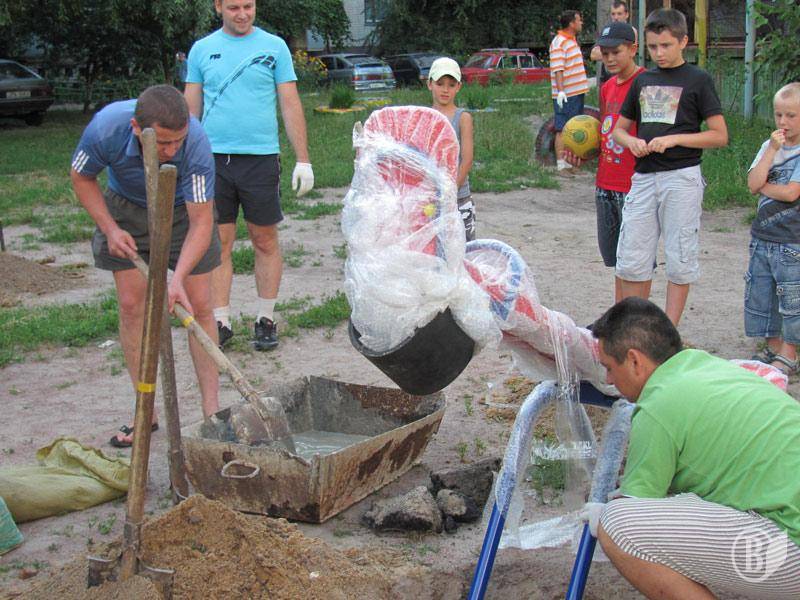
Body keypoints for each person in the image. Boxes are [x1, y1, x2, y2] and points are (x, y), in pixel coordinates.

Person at [589, 297, 800, 599]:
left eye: (609, 367)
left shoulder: (658, 405)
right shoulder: (711, 367)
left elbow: (638, 502)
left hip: (790, 542)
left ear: (634, 360)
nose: (609, 379)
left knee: (616, 525)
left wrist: (602, 511)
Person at [70, 84, 221, 447]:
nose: (172, 151)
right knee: (132, 306)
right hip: (128, 209)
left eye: (178, 141)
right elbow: (81, 176)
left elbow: (202, 222)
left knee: (200, 306)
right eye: (164, 143)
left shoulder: (196, 142)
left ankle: (212, 414)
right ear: (137, 128)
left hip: (183, 213)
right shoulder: (106, 128)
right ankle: (146, 410)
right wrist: (110, 229)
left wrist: (177, 278)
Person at [184, 0, 313, 352]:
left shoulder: (274, 47)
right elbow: (191, 110)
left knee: (264, 239)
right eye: (233, 7)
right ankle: (221, 321)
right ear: (218, 7)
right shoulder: (202, 50)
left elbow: (289, 103)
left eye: (248, 6)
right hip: (213, 160)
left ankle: (265, 318)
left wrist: (303, 159)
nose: (242, 14)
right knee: (218, 242)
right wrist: (185, 159)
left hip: (260, 158)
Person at [612, 8, 728, 326]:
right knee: (632, 256)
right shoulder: (642, 80)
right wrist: (631, 141)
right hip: (644, 177)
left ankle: (669, 331)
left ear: (683, 42)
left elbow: (719, 135)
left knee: (679, 256)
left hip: (681, 177)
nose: (659, 53)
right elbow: (619, 130)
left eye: (666, 45)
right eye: (653, 47)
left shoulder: (698, 79)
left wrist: (676, 139)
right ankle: (635, 328)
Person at [565, 22, 645, 303]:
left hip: (634, 184)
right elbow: (607, 134)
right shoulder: (608, 87)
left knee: (635, 262)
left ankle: (633, 318)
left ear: (633, 49)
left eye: (616, 52)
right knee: (616, 260)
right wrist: (585, 153)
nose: (610, 58)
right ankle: (620, 314)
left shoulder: (645, 84)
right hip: (605, 184)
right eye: (605, 53)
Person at [744, 82, 800, 376]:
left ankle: (790, 352)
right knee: (761, 293)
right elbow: (753, 183)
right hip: (762, 237)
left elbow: (791, 193)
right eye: (779, 115)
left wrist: (764, 187)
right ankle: (773, 346)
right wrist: (771, 151)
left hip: (792, 240)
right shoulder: (769, 148)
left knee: (791, 298)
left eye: (791, 116)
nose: (783, 122)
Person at [427, 57, 475, 241]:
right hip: (430, 200)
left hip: (458, 198)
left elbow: (467, 160)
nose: (445, 90)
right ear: (429, 84)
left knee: (464, 248)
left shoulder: (462, 118)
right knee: (434, 249)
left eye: (451, 85)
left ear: (458, 87)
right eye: (440, 84)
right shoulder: (424, 117)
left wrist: (450, 192)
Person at [549, 9, 589, 172]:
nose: (581, 23)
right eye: (579, 20)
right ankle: (560, 164)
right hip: (567, 94)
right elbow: (558, 68)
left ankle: (570, 161)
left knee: (574, 127)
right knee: (562, 127)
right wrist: (561, 91)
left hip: (576, 92)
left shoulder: (571, 40)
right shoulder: (559, 42)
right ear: (572, 23)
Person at [589, 1, 631, 87]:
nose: (616, 17)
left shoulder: (631, 32)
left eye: (619, 14)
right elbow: (593, 54)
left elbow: (629, 55)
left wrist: (605, 52)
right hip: (606, 79)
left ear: (626, 15)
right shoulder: (606, 31)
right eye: (613, 14)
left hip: (624, 79)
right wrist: (616, 53)